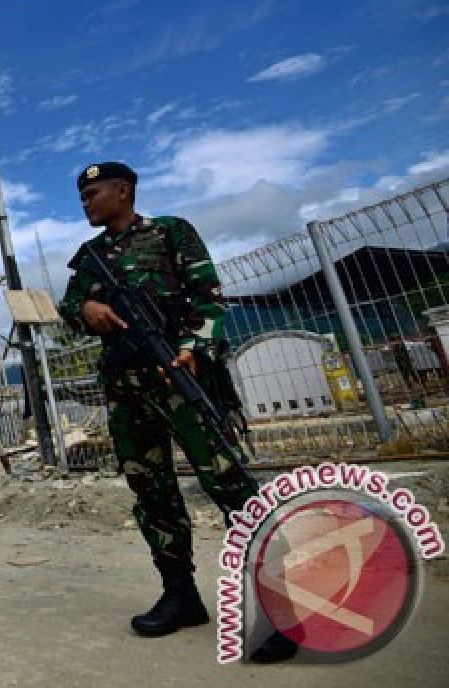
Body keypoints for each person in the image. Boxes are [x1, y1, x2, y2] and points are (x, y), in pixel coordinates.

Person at [59, 162, 295, 661]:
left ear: (123, 192)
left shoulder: (171, 233)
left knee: (229, 484)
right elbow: (68, 309)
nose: (86, 203)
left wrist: (190, 348)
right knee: (152, 490)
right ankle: (180, 595)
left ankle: (281, 608)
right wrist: (86, 312)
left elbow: (209, 301)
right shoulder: (90, 258)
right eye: (82, 196)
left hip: (180, 379)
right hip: (128, 391)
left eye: (93, 194)